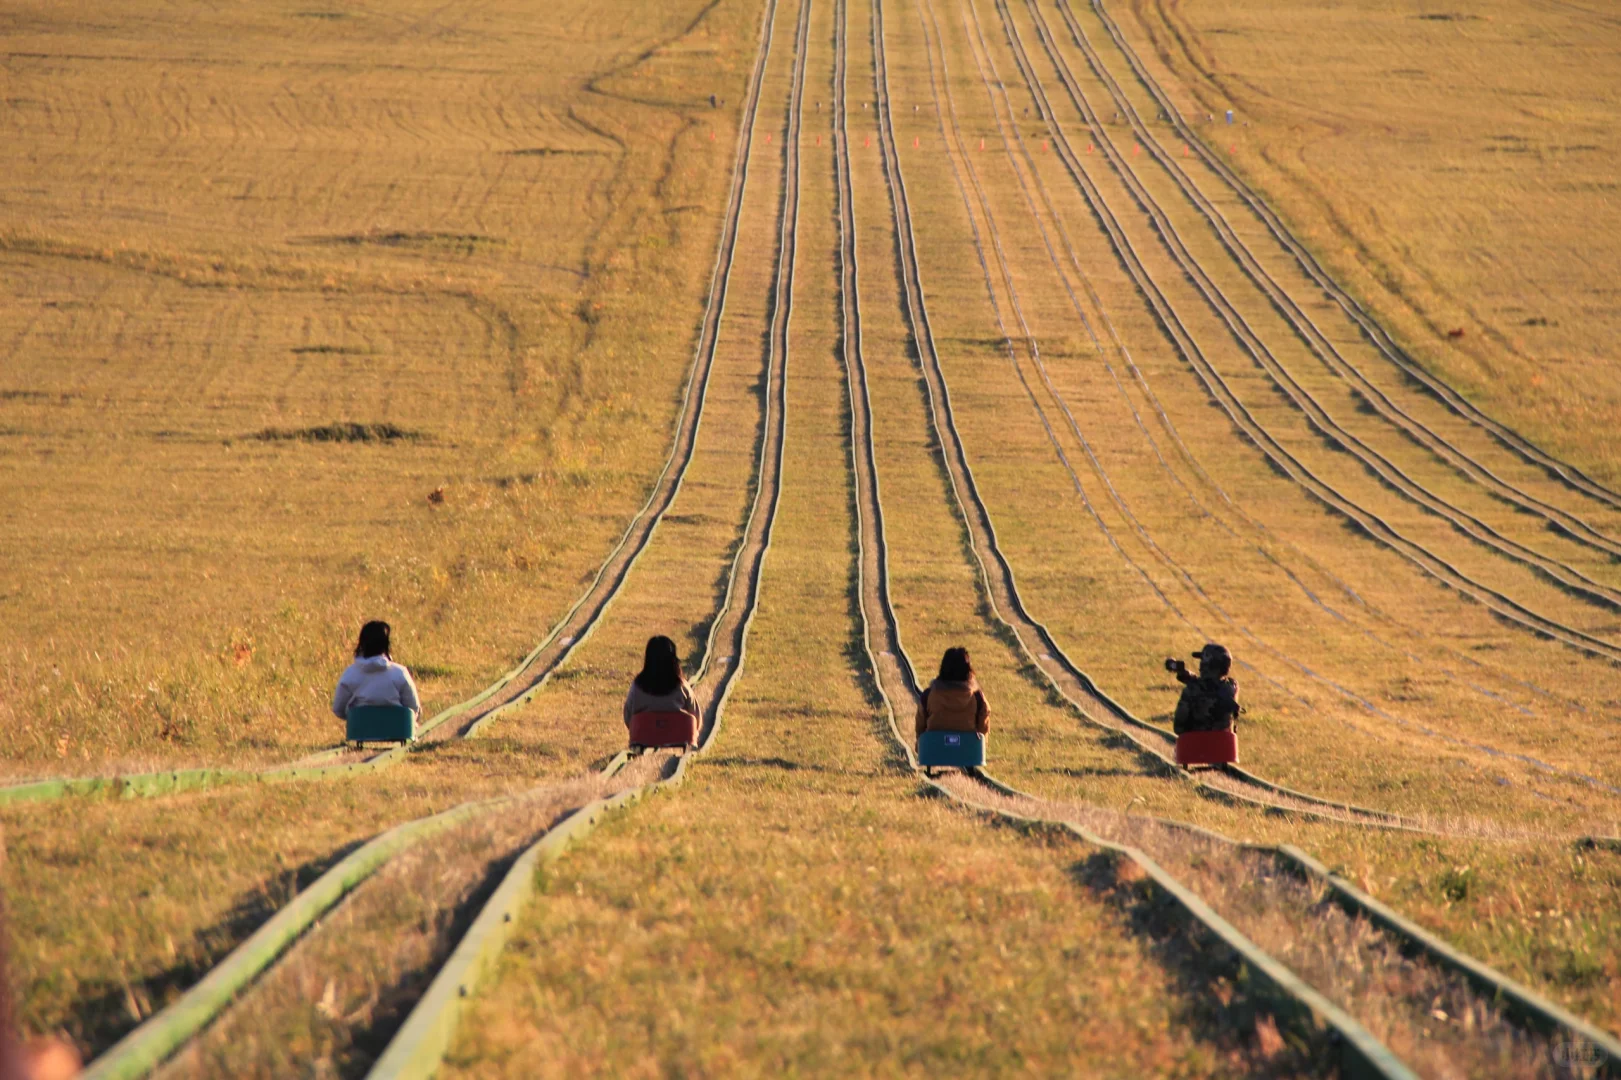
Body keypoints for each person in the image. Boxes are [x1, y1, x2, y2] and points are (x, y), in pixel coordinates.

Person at [331, 620, 421, 723]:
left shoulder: (350, 674)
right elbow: (414, 708)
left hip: (360, 729)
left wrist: (354, 719)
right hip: (396, 728)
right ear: (386, 644)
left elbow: (338, 709)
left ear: (362, 643)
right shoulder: (400, 673)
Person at [623, 635, 700, 744]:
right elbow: (696, 716)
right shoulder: (681, 685)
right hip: (681, 735)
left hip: (643, 735)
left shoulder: (637, 686)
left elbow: (628, 716)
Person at [915, 646, 989, 744]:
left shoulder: (928, 696)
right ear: (968, 670)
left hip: (934, 754)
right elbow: (983, 732)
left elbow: (920, 730)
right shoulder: (977, 698)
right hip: (969, 755)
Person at [1166, 643, 1241, 735]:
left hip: (1196, 746)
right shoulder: (1232, 686)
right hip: (1224, 746)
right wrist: (1187, 675)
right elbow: (1211, 686)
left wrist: (1189, 679)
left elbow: (1179, 728)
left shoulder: (1191, 690)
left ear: (1206, 664)